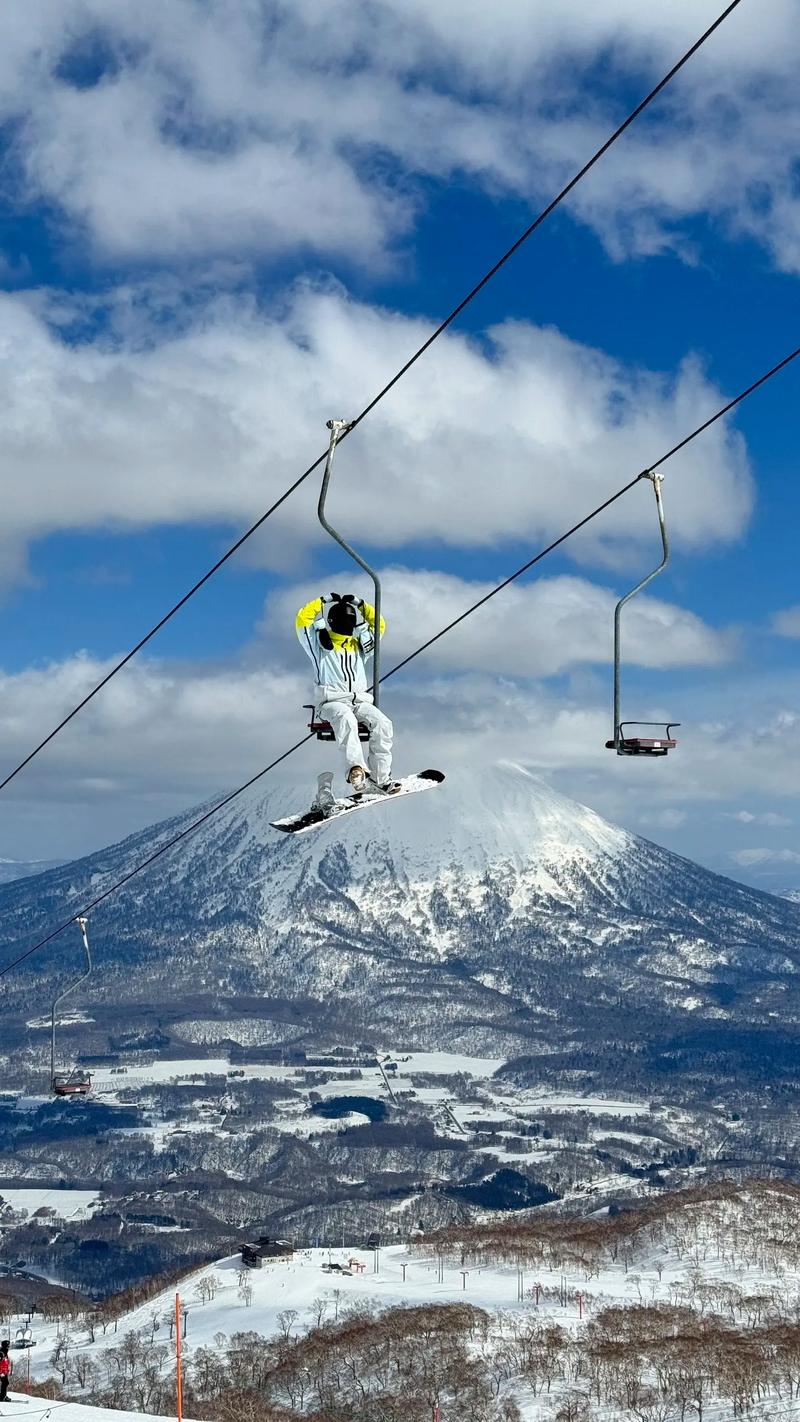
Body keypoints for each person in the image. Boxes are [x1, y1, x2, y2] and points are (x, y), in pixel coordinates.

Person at [296, 592, 400, 806]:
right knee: (346, 719)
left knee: (383, 723)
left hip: (359, 702)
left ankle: (380, 778)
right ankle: (356, 769)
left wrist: (361, 604)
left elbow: (379, 624)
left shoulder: (359, 646)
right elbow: (302, 620)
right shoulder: (319, 646)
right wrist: (322, 601)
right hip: (331, 703)